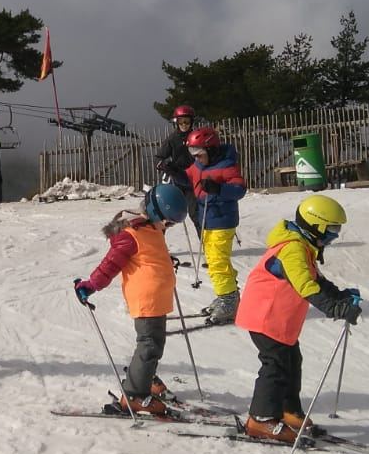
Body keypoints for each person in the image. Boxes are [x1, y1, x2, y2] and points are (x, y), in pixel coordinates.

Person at [234, 194, 363, 442]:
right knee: (275, 365)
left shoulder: (302, 247)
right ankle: (260, 419)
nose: (335, 235)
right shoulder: (292, 249)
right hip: (265, 317)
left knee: (292, 361)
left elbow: (317, 280)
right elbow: (306, 286)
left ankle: (287, 410)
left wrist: (340, 296)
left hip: (279, 321)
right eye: (332, 229)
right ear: (316, 225)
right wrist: (335, 309)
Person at [72, 183, 188, 416]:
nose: (169, 227)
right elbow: (110, 265)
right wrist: (91, 285)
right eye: (168, 222)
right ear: (156, 213)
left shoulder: (151, 229)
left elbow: (150, 253)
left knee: (154, 344)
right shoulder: (131, 235)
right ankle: (135, 394)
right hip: (147, 299)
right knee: (149, 345)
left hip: (158, 298)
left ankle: (145, 377)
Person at [184, 126, 247, 323]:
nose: (196, 158)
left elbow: (239, 189)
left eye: (199, 153)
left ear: (210, 150)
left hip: (222, 220)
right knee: (213, 260)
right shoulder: (198, 165)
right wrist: (173, 172)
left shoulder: (227, 165)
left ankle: (228, 300)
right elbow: (187, 177)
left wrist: (219, 188)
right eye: (192, 154)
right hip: (207, 220)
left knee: (218, 262)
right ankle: (227, 296)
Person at [152, 105, 198, 197]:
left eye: (187, 121)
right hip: (178, 176)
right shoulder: (172, 139)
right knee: (178, 208)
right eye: (181, 122)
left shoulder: (196, 137)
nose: (184, 125)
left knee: (194, 208)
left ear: (192, 122)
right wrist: (164, 165)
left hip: (195, 177)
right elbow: (159, 157)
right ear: (176, 122)